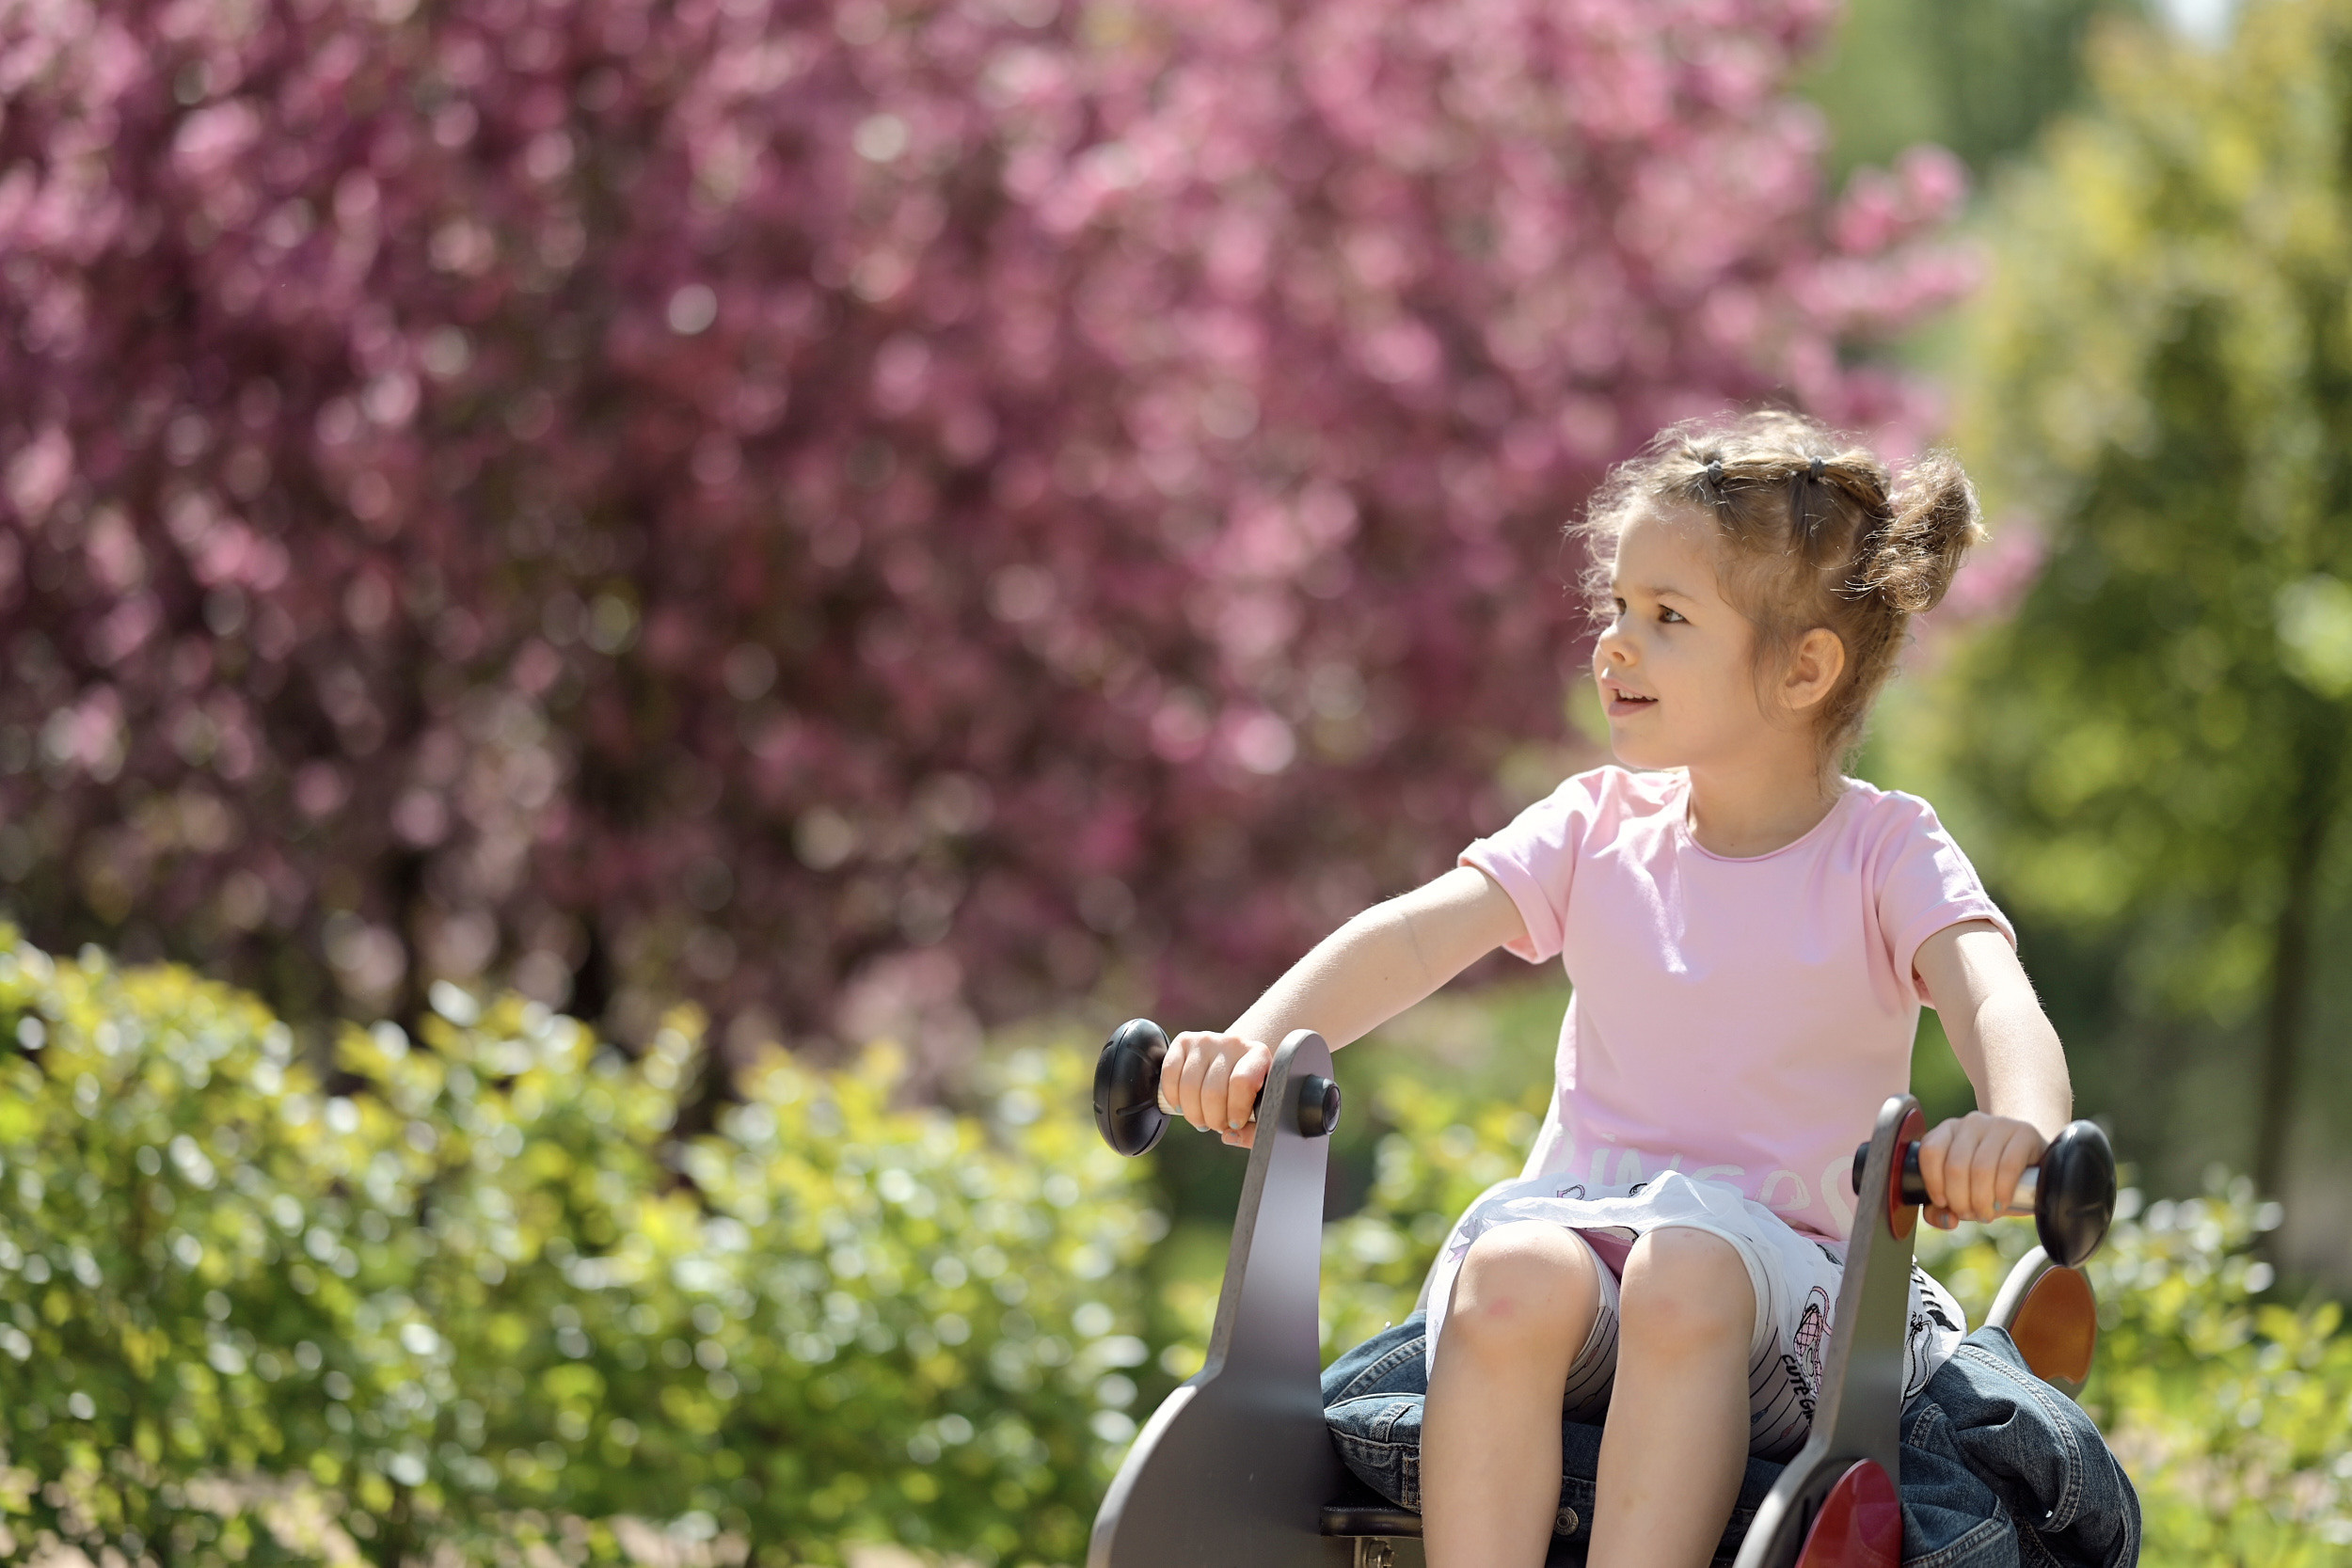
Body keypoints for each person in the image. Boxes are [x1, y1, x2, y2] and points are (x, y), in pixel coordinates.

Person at [1152, 410, 2074, 1568]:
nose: (1615, 645)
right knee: (1505, 1274)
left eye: (1667, 618)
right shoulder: (1595, 824)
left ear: (1803, 667)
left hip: (1782, 1299)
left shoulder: (1884, 851)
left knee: (1682, 1271)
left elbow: (1997, 999)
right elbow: (1410, 938)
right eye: (1618, 608)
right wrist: (1249, 1039)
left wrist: (2017, 1127)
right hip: (1592, 1235)